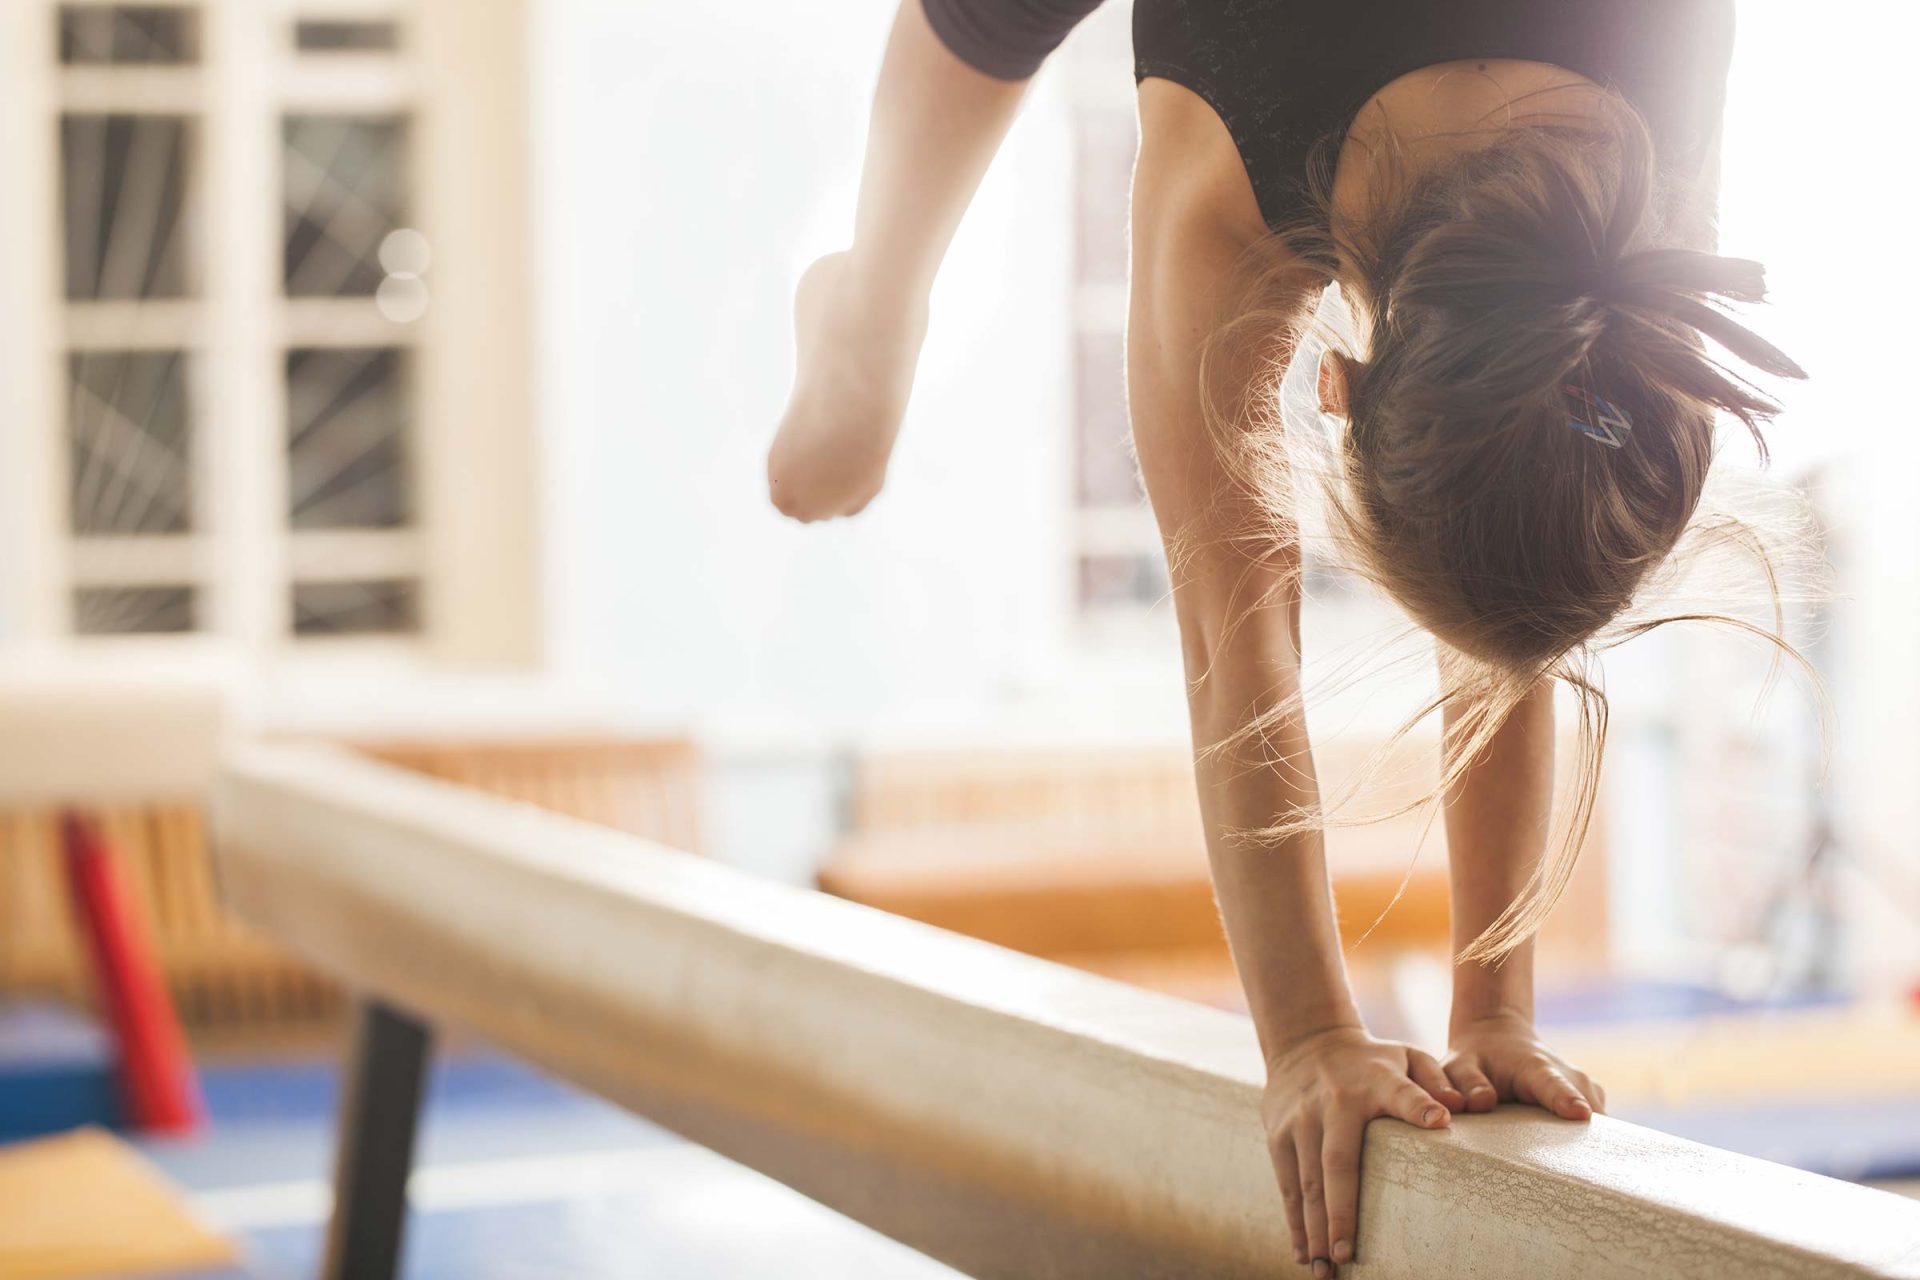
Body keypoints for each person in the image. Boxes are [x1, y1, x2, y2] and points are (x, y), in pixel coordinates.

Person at [766, 2, 1806, 1276]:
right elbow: (1232, 634)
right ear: (1335, 385)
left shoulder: (1646, 207)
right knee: (862, 361)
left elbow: (1520, 535)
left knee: (1504, 477)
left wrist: (1496, 1006)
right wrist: (1308, 1033)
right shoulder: (1223, 184)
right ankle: (874, 314)